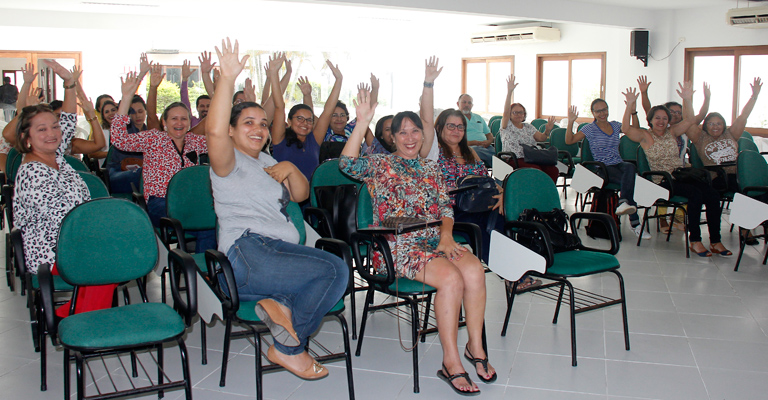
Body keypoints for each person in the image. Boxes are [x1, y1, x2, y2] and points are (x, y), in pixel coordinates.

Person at [340, 57, 495, 396]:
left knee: (474, 270)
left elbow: (445, 208)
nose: (409, 137)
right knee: (452, 279)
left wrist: (446, 235)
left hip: (435, 240)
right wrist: (362, 121)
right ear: (392, 137)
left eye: (415, 131)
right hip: (397, 247)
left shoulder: (431, 168)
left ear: (424, 135)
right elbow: (347, 164)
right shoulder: (380, 164)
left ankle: (476, 347)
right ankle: (450, 361)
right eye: (402, 132)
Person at [207, 39, 348, 380]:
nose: (258, 129)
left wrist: (292, 169)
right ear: (231, 130)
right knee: (333, 272)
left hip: (273, 255)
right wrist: (226, 79)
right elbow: (213, 131)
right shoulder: (228, 163)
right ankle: (289, 349)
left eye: (262, 124)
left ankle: (278, 308)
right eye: (248, 123)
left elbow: (299, 195)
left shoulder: (269, 160)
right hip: (247, 250)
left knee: (324, 274)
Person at [13, 60, 115, 318]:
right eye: (42, 129)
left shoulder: (56, 156)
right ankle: (73, 319)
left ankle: (73, 315)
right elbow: (64, 222)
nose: (53, 133)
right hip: (51, 251)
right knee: (109, 259)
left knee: (113, 252)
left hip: (74, 242)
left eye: (54, 126)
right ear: (27, 138)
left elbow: (68, 121)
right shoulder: (32, 171)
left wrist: (70, 84)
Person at [111, 69, 215, 253]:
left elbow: (222, 143)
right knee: (200, 216)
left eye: (184, 119)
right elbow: (119, 139)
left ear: (190, 123)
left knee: (211, 223)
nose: (179, 123)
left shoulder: (195, 141)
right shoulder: (154, 139)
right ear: (164, 122)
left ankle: (200, 273)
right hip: (161, 203)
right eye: (174, 118)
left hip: (189, 203)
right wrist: (126, 97)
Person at [621, 83, 729, 257]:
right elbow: (626, 129)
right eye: (658, 118)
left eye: (665, 118)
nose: (661, 121)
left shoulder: (673, 132)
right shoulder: (645, 135)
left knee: (712, 194)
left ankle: (715, 241)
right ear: (650, 120)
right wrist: (629, 105)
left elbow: (691, 120)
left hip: (680, 175)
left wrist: (687, 99)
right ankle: (695, 240)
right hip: (662, 181)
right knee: (695, 194)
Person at [566, 98, 648, 239]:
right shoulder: (589, 129)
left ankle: (623, 202)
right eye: (598, 111)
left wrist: (632, 110)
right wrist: (570, 122)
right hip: (602, 167)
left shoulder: (615, 125)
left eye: (604, 109)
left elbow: (635, 129)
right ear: (593, 113)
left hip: (618, 164)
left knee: (630, 166)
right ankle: (636, 224)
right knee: (629, 181)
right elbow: (569, 141)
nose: (602, 113)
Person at [270, 56, 340, 182]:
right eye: (300, 118)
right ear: (289, 121)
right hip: (285, 198)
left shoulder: (313, 141)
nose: (304, 123)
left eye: (309, 120)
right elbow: (279, 107)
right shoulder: (280, 139)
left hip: (310, 199)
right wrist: (274, 74)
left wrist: (339, 80)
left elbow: (328, 112)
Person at [498, 74, 559, 182]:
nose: (518, 114)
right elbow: (506, 111)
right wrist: (509, 92)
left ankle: (547, 195)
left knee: (553, 170)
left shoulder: (528, 127)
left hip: (532, 157)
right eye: (515, 112)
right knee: (536, 170)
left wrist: (547, 131)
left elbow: (541, 139)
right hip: (515, 159)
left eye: (521, 112)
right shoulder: (506, 126)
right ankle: (534, 196)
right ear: (510, 114)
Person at [457, 93, 493, 167]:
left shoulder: (478, 117)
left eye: (469, 103)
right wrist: (472, 143)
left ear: (472, 105)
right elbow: (454, 140)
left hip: (486, 147)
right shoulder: (456, 118)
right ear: (458, 104)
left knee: (496, 153)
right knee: (475, 151)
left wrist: (489, 142)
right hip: (467, 147)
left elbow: (489, 134)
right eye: (464, 102)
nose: (467, 105)